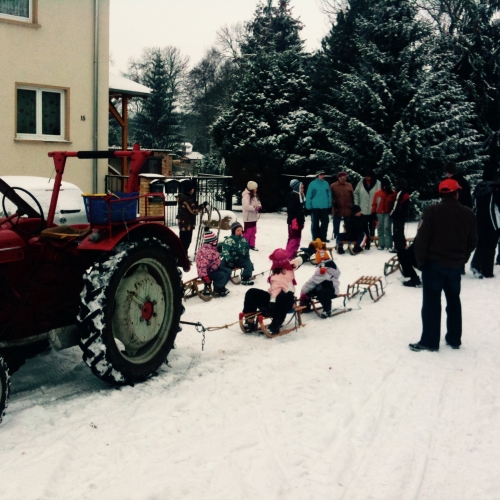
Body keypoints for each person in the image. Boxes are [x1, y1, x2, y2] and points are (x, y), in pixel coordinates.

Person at [410, 179, 477, 352]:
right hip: (454, 266)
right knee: (454, 301)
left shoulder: (432, 211)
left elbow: (421, 240)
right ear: (457, 193)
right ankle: (454, 339)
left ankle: (430, 341)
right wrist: (462, 258)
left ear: (440, 195)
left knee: (431, 303)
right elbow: (473, 241)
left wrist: (421, 262)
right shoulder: (468, 213)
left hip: (433, 265)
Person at [241, 248, 306, 334]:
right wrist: (307, 254)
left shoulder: (286, 270)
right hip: (273, 298)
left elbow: (277, 290)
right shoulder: (290, 266)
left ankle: (275, 325)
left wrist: (272, 302)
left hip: (286, 300)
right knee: (252, 292)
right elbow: (298, 260)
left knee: (282, 297)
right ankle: (250, 319)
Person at [470, 179, 500, 278]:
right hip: (493, 221)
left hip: (480, 220)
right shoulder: (496, 189)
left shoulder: (480, 188)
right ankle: (487, 271)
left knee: (481, 243)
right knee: (491, 246)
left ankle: (477, 265)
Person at [299, 247, 341, 318]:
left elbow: (313, 281)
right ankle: (305, 306)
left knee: (312, 291)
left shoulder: (323, 269)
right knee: (314, 290)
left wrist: (304, 290)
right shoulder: (332, 266)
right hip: (330, 289)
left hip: (329, 292)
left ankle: (327, 310)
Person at [195, 227, 231, 297]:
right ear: (212, 242)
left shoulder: (212, 248)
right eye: (215, 240)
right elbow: (202, 266)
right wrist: (205, 277)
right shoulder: (205, 252)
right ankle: (217, 289)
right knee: (222, 275)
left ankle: (221, 286)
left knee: (228, 271)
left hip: (214, 268)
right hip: (207, 273)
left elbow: (215, 258)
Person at [177, 180, 207, 256]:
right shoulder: (188, 199)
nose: (193, 190)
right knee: (186, 241)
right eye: (192, 188)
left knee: (182, 240)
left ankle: (183, 255)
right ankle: (183, 257)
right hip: (187, 224)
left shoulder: (181, 197)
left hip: (182, 223)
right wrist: (203, 205)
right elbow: (194, 210)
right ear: (189, 189)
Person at [219, 222, 255, 286]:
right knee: (221, 266)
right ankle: (221, 277)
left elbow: (246, 252)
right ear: (233, 231)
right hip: (230, 259)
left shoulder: (244, 240)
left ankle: (246, 278)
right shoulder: (229, 240)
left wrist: (248, 260)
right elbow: (225, 251)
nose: (240, 232)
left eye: (241, 231)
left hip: (239, 259)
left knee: (249, 264)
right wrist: (229, 260)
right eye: (238, 230)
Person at [353, 170, 380, 250]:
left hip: (373, 209)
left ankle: (371, 238)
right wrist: (356, 205)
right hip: (362, 209)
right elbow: (356, 193)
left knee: (372, 226)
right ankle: (366, 241)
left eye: (369, 176)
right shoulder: (361, 182)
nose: (367, 178)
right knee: (363, 227)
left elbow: (379, 195)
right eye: (366, 176)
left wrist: (377, 207)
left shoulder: (377, 183)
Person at [305, 170, 332, 242]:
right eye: (321, 175)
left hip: (324, 206)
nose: (322, 176)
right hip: (315, 206)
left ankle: (323, 237)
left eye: (323, 175)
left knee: (325, 223)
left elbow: (329, 194)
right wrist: (308, 205)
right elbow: (309, 195)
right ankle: (315, 238)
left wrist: (329, 203)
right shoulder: (312, 184)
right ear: (317, 175)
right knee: (315, 223)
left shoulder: (326, 183)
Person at [371, 178, 396, 250]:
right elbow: (374, 204)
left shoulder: (392, 193)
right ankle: (381, 244)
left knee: (387, 228)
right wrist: (373, 212)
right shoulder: (378, 193)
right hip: (379, 213)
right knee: (380, 228)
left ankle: (389, 245)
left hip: (388, 213)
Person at [330, 172, 354, 240]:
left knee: (348, 223)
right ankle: (336, 235)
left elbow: (352, 196)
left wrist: (353, 205)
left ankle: (347, 234)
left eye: (345, 178)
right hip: (337, 207)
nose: (344, 179)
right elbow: (330, 196)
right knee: (336, 222)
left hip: (348, 207)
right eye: (342, 178)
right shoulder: (333, 186)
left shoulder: (349, 185)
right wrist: (334, 203)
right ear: (338, 178)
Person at [286, 179, 306, 259]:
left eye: (303, 188)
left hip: (299, 221)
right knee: (293, 239)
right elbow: (291, 210)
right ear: (296, 188)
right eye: (301, 188)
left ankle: (294, 253)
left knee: (298, 239)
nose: (303, 190)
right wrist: (293, 220)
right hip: (294, 221)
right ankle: (288, 255)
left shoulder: (301, 196)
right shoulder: (292, 196)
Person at [390, 178, 410, 253]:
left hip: (398, 216)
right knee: (400, 231)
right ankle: (402, 246)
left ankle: (398, 247)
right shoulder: (406, 193)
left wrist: (392, 213)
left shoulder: (400, 193)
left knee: (397, 232)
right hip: (402, 216)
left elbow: (396, 205)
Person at [242, 181, 262, 251]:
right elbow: (246, 206)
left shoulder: (254, 195)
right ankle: (244, 245)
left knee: (253, 231)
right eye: (255, 188)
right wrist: (254, 208)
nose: (256, 189)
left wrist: (259, 206)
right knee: (248, 232)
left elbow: (258, 202)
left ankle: (252, 244)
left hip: (254, 217)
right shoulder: (246, 196)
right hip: (248, 217)